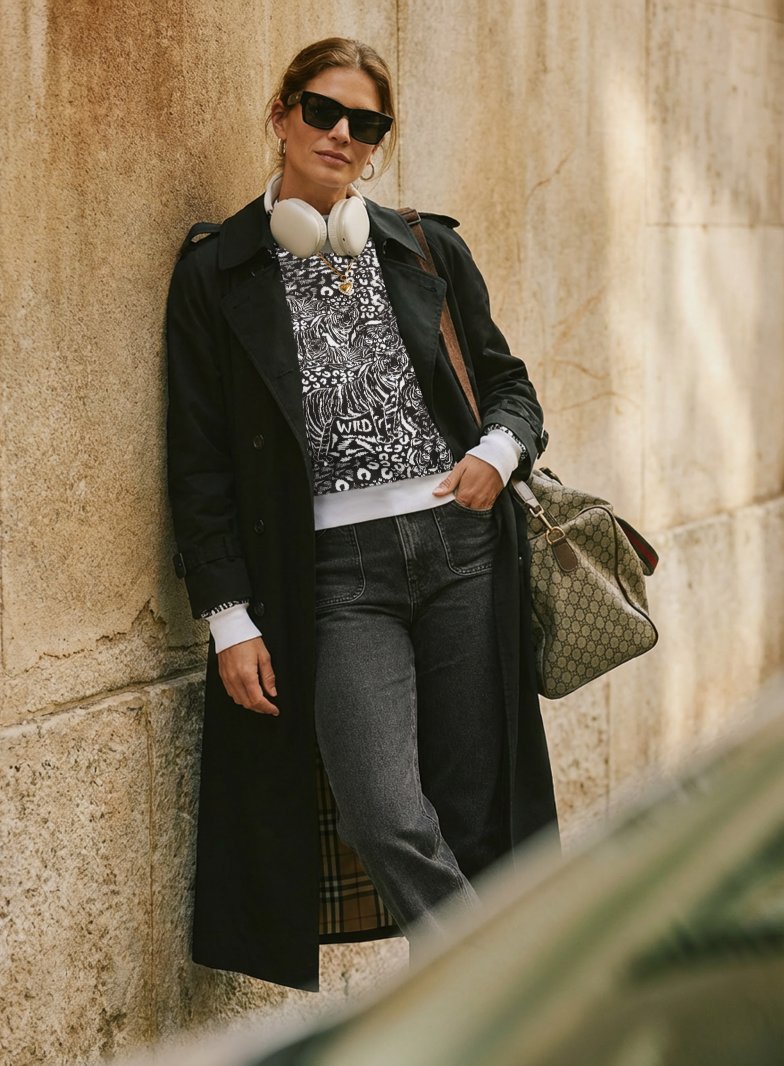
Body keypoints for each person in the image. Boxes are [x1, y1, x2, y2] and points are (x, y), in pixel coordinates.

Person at [166, 36, 558, 992]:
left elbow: (510, 387)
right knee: (383, 811)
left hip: (463, 553)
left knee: (474, 812)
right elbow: (198, 457)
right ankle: (512, 991)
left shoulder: (425, 247)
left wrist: (495, 454)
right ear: (281, 114)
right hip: (334, 580)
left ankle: (467, 1023)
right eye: (323, 111)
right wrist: (228, 619)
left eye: (367, 123)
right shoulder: (218, 270)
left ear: (380, 143)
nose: (342, 134)